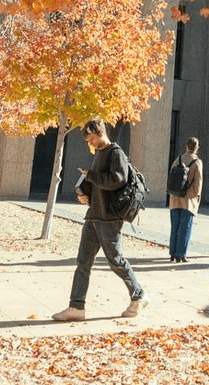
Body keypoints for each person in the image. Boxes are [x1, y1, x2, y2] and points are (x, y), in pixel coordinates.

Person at [53, 119, 149, 322]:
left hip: (110, 217)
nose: (91, 143)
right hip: (95, 215)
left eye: (92, 138)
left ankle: (139, 295)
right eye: (88, 140)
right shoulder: (99, 153)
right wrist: (85, 193)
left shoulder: (116, 152)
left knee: (115, 260)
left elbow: (118, 179)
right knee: (83, 261)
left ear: (101, 131)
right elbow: (99, 182)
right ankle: (76, 306)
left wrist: (92, 176)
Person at [167, 136, 203, 262]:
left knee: (175, 227)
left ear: (186, 146)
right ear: (197, 148)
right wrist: (196, 198)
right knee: (185, 227)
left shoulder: (178, 159)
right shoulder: (197, 162)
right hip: (188, 199)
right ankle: (181, 254)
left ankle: (172, 252)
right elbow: (198, 183)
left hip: (175, 198)